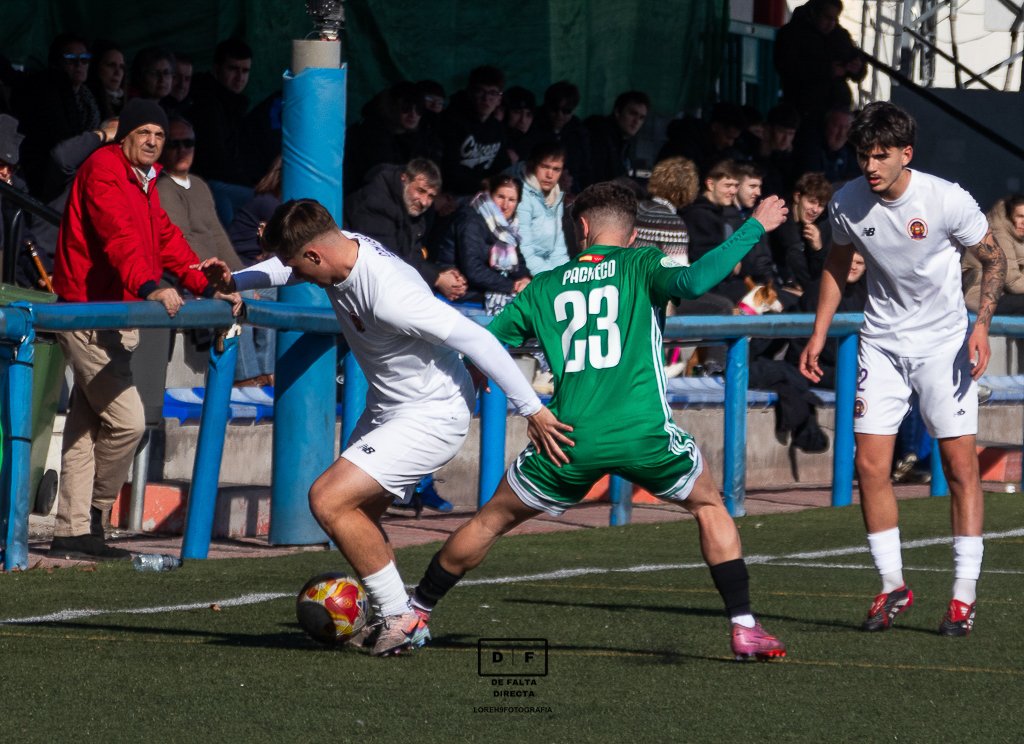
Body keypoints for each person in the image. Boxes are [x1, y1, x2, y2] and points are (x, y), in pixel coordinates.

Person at [408, 182, 790, 660]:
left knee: (489, 521)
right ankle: (744, 626)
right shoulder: (642, 263)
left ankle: (416, 611)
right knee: (710, 506)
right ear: (632, 235)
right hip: (643, 434)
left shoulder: (545, 285)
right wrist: (754, 226)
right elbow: (694, 282)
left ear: (582, 228)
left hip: (567, 440)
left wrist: (479, 372)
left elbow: (487, 344)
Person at [201, 198, 572, 656]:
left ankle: (402, 618)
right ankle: (396, 615)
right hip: (390, 407)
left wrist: (532, 409)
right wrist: (235, 282)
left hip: (432, 414)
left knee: (328, 499)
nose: (297, 275)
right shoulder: (336, 249)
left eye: (299, 265)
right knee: (358, 517)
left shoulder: (391, 295)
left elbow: (477, 337)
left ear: (315, 254)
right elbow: (285, 267)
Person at [799, 101, 1007, 636]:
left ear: (905, 154)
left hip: (944, 346)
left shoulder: (945, 199)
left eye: (881, 156)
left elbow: (994, 259)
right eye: (863, 156)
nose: (870, 166)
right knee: (870, 466)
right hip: (881, 344)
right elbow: (837, 262)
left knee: (960, 468)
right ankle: (893, 586)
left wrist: (980, 327)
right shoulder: (846, 202)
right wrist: (819, 332)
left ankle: (963, 596)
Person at [48, 98, 235, 561]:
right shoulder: (104, 169)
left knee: (87, 427)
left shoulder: (146, 179)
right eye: (144, 133)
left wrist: (203, 282)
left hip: (117, 314)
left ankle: (73, 530)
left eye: (160, 135)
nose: (153, 141)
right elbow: (119, 237)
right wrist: (151, 285)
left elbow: (165, 238)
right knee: (128, 422)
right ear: (124, 136)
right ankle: (95, 511)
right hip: (88, 314)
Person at [345, 158, 466, 301]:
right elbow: (386, 257)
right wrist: (437, 278)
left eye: (431, 196)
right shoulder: (376, 201)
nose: (424, 202)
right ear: (404, 179)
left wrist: (443, 274)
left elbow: (412, 254)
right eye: (420, 190)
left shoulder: (411, 206)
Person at [437, 173, 530, 312]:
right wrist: (512, 286)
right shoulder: (471, 220)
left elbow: (517, 263)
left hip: (487, 289)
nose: (505, 205)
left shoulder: (506, 228)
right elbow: (472, 269)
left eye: (511, 200)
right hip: (463, 292)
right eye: (500, 197)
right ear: (490, 195)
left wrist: (524, 280)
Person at [188, 38, 254, 225]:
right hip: (209, 184)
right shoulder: (206, 104)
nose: (239, 77)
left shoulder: (236, 105)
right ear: (217, 68)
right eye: (233, 69)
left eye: (245, 71)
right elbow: (216, 161)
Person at [773, 0, 865, 130]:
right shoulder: (792, 34)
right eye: (827, 17)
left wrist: (857, 68)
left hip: (838, 108)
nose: (831, 23)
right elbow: (787, 66)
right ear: (814, 13)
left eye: (835, 19)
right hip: (805, 107)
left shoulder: (840, 36)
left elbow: (855, 59)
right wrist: (827, 70)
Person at [439, 65, 508, 196]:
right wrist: (482, 184)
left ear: (499, 99)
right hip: (454, 194)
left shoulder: (497, 129)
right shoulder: (452, 122)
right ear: (470, 93)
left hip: (487, 193)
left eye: (493, 93)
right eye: (480, 91)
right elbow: (449, 171)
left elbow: (502, 165)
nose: (486, 98)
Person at [770, 171, 834, 292]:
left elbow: (822, 273)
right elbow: (791, 258)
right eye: (812, 202)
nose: (815, 210)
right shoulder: (780, 220)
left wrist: (818, 250)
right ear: (797, 197)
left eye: (821, 205)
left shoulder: (818, 227)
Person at [962, 194, 1024, 315]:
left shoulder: (1017, 233)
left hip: (1003, 293)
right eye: (1020, 216)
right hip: (982, 295)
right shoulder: (999, 233)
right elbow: (1012, 282)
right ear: (1010, 215)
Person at [516, 141, 570, 276]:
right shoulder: (520, 196)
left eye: (556, 169)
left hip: (546, 271)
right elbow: (524, 250)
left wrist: (566, 275)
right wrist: (550, 279)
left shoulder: (555, 194)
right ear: (533, 165)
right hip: (524, 273)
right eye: (545, 167)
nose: (550, 175)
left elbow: (558, 247)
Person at [584, 90, 649, 187]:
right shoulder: (599, 135)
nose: (636, 121)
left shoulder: (624, 142)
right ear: (618, 112)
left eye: (641, 118)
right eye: (632, 113)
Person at [86, 40, 126, 121]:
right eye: (111, 65)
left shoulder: (129, 103)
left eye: (121, 67)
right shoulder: (87, 103)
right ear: (96, 67)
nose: (117, 72)